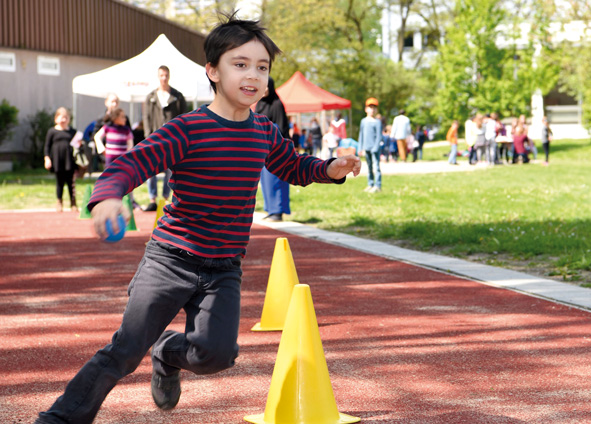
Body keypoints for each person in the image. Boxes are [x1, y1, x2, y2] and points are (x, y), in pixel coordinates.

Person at [34, 13, 361, 424]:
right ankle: (59, 418)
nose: (253, 75)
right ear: (213, 71)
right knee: (125, 349)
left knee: (216, 355)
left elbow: (292, 165)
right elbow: (129, 166)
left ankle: (167, 351)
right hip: (170, 259)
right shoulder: (187, 129)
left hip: (224, 267)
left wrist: (327, 168)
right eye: (239, 64)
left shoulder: (262, 131)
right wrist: (106, 198)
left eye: (262, 67)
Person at [142, 65, 187, 212]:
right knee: (151, 169)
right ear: (158, 76)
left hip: (172, 139)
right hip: (155, 138)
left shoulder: (177, 96)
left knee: (170, 169)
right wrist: (148, 136)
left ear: (169, 76)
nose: (164, 78)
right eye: (161, 75)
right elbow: (146, 117)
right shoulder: (151, 97)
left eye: (166, 75)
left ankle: (166, 198)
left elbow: (184, 117)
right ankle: (152, 199)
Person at [256, 76, 290, 222]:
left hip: (276, 150)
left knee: (277, 180)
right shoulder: (259, 104)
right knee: (266, 181)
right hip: (263, 150)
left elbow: (282, 127)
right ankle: (270, 209)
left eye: (266, 86)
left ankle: (278, 211)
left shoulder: (277, 104)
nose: (263, 90)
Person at [44, 107, 78, 213]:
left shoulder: (73, 132)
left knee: (70, 182)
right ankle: (59, 202)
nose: (63, 120)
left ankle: (73, 203)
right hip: (58, 160)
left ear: (69, 119)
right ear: (56, 119)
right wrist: (47, 159)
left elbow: (77, 146)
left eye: (66, 118)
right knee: (60, 182)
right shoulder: (52, 131)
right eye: (61, 117)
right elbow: (47, 146)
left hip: (70, 160)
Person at [358, 97, 382, 193]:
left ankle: (378, 185)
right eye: (370, 107)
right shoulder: (363, 121)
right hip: (366, 148)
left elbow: (379, 137)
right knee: (369, 167)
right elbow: (361, 135)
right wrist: (360, 148)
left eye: (374, 108)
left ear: (376, 110)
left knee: (376, 167)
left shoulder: (377, 122)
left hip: (374, 149)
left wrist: (375, 148)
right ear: (366, 109)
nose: (372, 110)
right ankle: (370, 184)